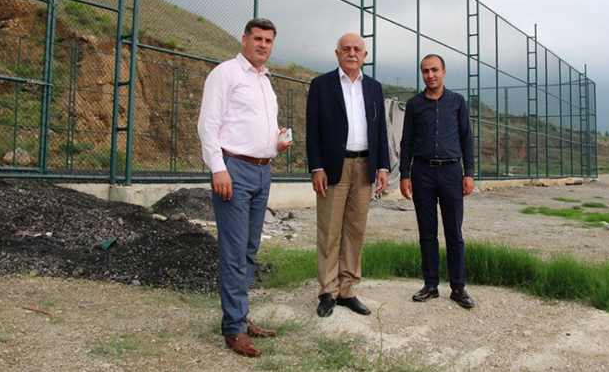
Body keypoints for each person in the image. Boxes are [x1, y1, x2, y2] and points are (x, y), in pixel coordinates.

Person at [197, 18, 292, 357]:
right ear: (244, 40)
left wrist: (276, 141)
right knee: (234, 251)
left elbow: (248, 125)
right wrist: (218, 168)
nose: (263, 44)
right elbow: (208, 124)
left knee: (249, 249)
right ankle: (234, 328)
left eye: (268, 40)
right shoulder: (225, 73)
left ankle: (239, 315)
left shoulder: (265, 80)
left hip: (262, 171)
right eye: (257, 38)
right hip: (234, 169)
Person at [306, 33, 390, 318]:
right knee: (329, 230)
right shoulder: (321, 85)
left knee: (356, 230)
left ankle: (347, 289)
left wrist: (383, 167)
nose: (351, 53)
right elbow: (313, 130)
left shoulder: (374, 87)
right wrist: (316, 167)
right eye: (346, 49)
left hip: (365, 166)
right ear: (337, 53)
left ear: (365, 55)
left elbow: (381, 130)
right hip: (333, 167)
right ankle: (328, 291)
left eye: (357, 49)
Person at [399, 54, 475, 308]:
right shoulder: (414, 104)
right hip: (422, 173)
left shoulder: (457, 102)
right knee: (427, 232)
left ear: (443, 71)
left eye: (434, 70)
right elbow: (407, 141)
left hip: (451, 172)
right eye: (425, 71)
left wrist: (469, 173)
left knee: (454, 232)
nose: (430, 75)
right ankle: (430, 285)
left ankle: (458, 287)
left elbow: (466, 138)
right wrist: (405, 175)